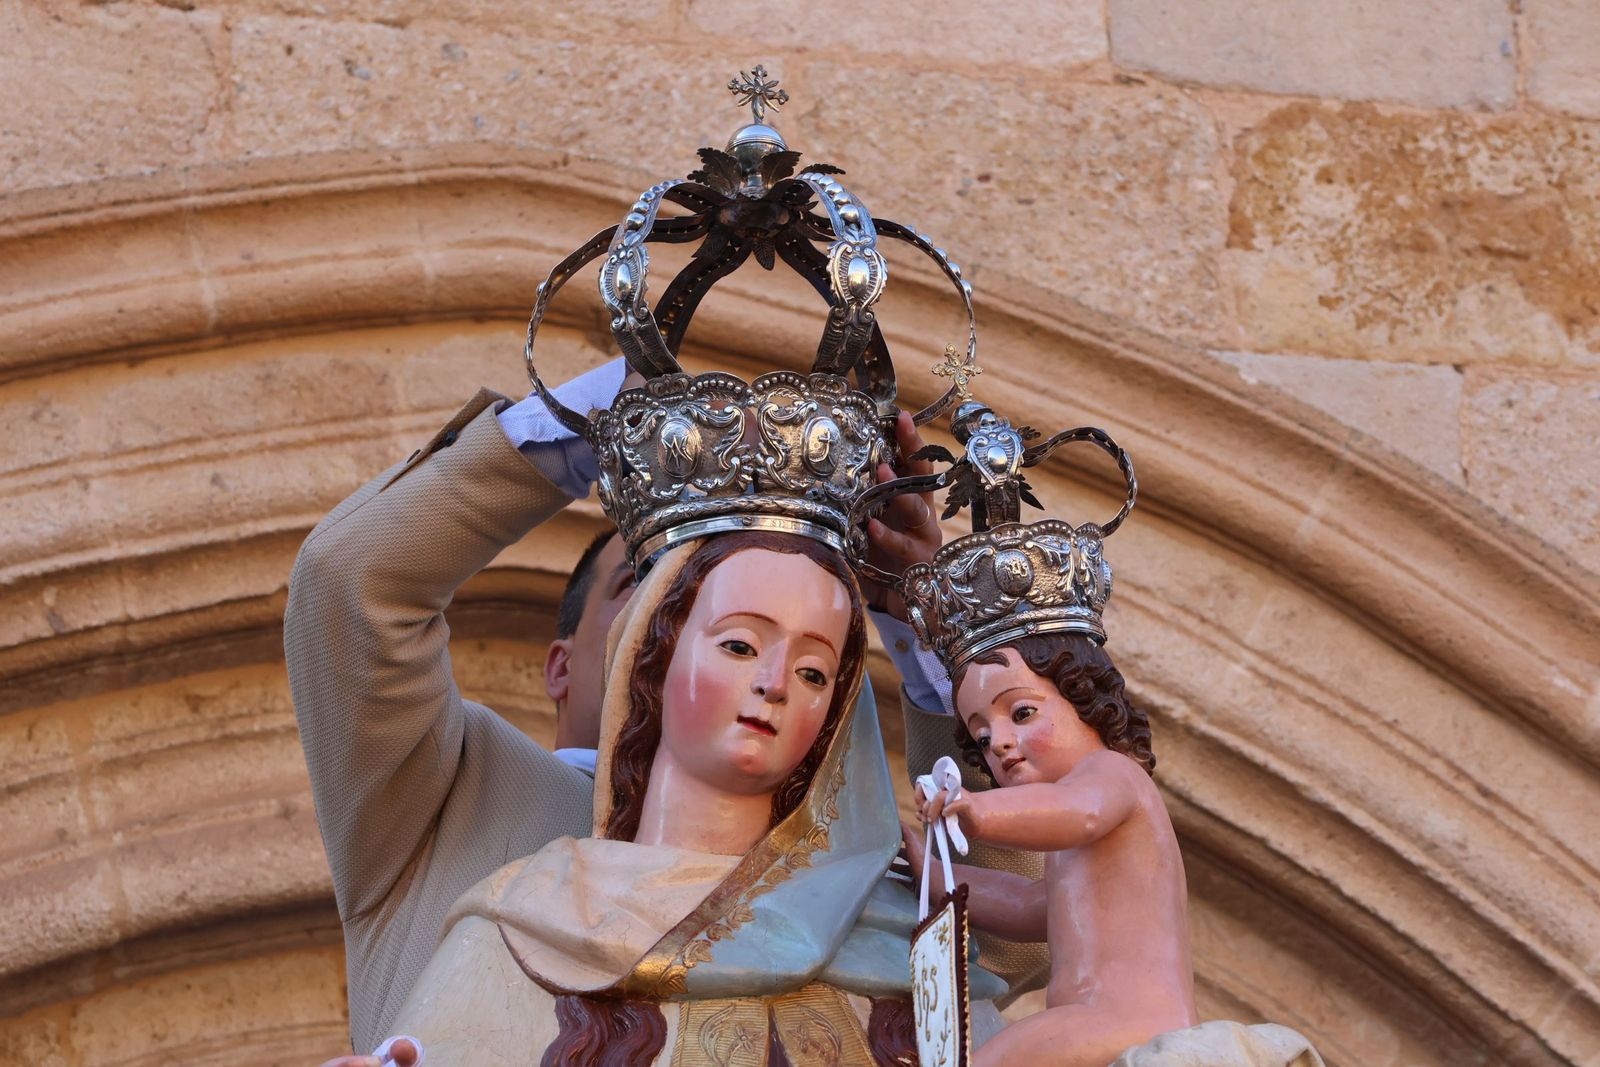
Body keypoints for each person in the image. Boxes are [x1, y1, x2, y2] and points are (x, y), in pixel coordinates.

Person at [287, 361, 957, 1058]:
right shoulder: (446, 797)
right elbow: (348, 583)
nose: (769, 674)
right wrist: (595, 419)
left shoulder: (845, 868)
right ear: (574, 658)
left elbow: (1006, 933)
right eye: (646, 578)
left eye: (811, 661)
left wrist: (922, 617)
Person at [375, 529, 1007, 1064]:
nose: (775, 683)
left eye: (813, 672)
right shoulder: (528, 921)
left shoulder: (897, 931)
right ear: (654, 659)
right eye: (739, 646)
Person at [910, 633, 1195, 1067]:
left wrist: (979, 810)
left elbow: (1081, 811)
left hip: (1125, 1021)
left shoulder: (1113, 774)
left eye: (1022, 713)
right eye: (982, 738)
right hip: (1088, 1020)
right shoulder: (1071, 848)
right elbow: (1026, 905)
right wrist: (930, 872)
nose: (999, 742)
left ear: (1086, 702)